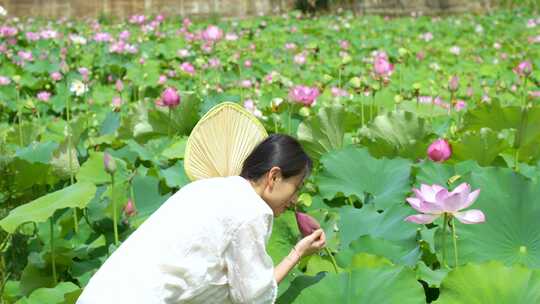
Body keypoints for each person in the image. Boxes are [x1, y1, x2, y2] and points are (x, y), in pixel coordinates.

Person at [76, 134, 326, 304]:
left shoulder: (209, 188)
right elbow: (252, 296)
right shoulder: (252, 211)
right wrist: (296, 254)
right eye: (297, 187)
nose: (295, 199)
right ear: (274, 177)